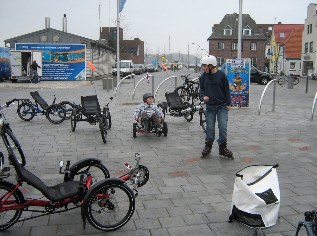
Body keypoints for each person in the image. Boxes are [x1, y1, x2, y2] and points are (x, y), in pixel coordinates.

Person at [199, 55, 233, 159]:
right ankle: (208, 146)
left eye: (204, 66)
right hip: (210, 107)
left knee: (223, 127)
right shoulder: (203, 77)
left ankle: (223, 148)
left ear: (211, 66)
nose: (203, 68)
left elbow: (226, 90)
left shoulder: (222, 76)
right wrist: (203, 97)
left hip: (222, 106)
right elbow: (202, 91)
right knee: (209, 128)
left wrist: (228, 103)